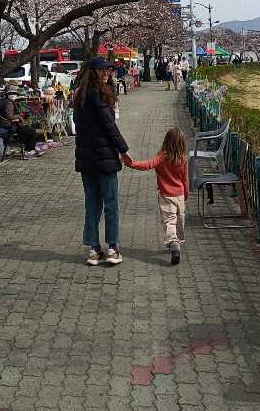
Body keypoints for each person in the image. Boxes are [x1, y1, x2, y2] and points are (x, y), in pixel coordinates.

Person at [73, 56, 129, 266]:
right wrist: (124, 150)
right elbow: (109, 126)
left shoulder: (80, 96)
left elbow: (80, 126)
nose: (107, 73)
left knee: (92, 203)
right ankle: (112, 247)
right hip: (103, 158)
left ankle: (94, 249)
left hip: (86, 158)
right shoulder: (98, 95)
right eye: (102, 70)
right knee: (111, 203)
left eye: (109, 70)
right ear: (92, 72)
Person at [123, 127, 189, 265]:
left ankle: (173, 243)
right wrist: (186, 194)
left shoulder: (162, 157)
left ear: (166, 141)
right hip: (180, 194)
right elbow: (185, 179)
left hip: (166, 195)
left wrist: (131, 163)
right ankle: (178, 240)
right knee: (180, 219)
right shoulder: (183, 158)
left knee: (169, 221)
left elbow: (147, 164)